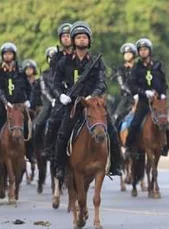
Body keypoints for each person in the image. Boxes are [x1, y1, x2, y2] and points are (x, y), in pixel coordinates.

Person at [52, 21, 123, 181]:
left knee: (111, 130)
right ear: (73, 40)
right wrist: (61, 95)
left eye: (85, 37)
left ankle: (115, 165)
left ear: (89, 40)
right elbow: (55, 83)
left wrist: (94, 95)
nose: (82, 40)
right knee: (62, 133)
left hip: (92, 104)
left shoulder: (96, 61)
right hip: (73, 105)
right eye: (78, 37)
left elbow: (102, 81)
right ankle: (60, 167)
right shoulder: (63, 62)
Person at [0, 42, 32, 167]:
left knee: (30, 128)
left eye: (10, 54)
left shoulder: (21, 72)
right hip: (4, 106)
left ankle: (30, 154)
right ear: (2, 56)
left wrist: (28, 100)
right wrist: (5, 102)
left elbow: (29, 88)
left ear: (14, 55)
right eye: (6, 54)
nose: (8, 56)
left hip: (20, 107)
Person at [123, 38, 169, 157]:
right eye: (141, 50)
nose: (143, 52)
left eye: (145, 49)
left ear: (149, 51)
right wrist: (144, 92)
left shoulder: (158, 65)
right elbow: (132, 85)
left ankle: (166, 146)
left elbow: (163, 82)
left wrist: (163, 93)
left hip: (158, 103)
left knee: (168, 124)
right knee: (134, 124)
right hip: (144, 102)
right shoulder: (136, 67)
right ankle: (129, 148)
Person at [42, 23, 73, 160]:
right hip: (63, 97)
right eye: (64, 36)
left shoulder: (83, 56)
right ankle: (49, 149)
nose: (66, 39)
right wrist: (60, 95)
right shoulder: (56, 58)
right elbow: (54, 81)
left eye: (69, 36)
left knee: (103, 120)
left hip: (81, 97)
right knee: (54, 121)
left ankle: (112, 156)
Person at [32, 47, 57, 153]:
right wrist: (52, 100)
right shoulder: (44, 74)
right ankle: (36, 148)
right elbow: (44, 90)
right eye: (50, 58)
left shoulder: (65, 72)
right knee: (37, 124)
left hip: (63, 101)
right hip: (48, 102)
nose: (53, 60)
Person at [112, 43, 137, 129]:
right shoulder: (121, 69)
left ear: (134, 55)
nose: (127, 55)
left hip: (141, 98)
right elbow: (122, 85)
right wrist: (134, 94)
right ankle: (113, 141)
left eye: (129, 53)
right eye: (125, 53)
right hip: (127, 99)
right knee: (115, 118)